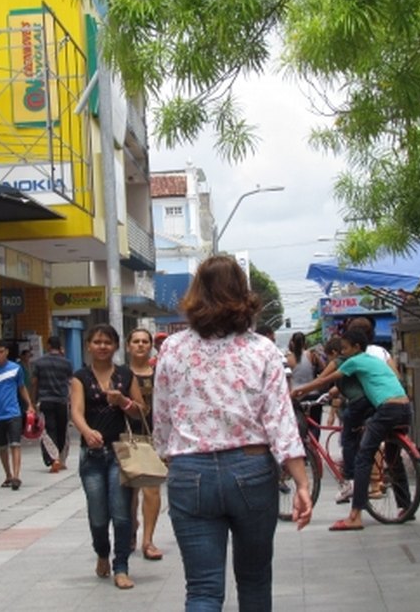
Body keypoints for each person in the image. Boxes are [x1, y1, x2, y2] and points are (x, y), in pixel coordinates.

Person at [154, 256, 312, 610]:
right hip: (251, 472)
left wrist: (170, 457)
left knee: (202, 589)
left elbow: (161, 417)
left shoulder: (172, 349)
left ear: (196, 293)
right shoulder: (263, 350)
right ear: (243, 293)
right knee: (255, 582)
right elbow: (280, 422)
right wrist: (301, 483)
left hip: (189, 472)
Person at [292, 327, 412, 531]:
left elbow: (324, 379)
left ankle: (355, 515)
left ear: (357, 347)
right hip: (405, 409)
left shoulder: (354, 361)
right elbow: (339, 385)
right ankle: (406, 506)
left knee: (363, 457)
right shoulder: (374, 360)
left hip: (387, 410)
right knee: (392, 458)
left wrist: (301, 390)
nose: (342, 352)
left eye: (345, 348)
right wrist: (332, 392)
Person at [70, 323, 147, 590]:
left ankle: (121, 566)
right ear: (89, 346)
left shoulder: (125, 376)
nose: (102, 347)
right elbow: (76, 411)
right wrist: (87, 431)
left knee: (122, 512)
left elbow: (141, 411)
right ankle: (102, 551)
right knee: (98, 514)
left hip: (120, 453)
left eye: (107, 342)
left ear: (115, 346)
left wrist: (123, 402)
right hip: (91, 455)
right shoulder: (80, 377)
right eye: (97, 342)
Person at [125, 328, 163, 561]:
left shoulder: (161, 373)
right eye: (136, 341)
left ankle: (148, 540)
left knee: (152, 489)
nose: (140, 345)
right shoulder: (119, 374)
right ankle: (131, 527)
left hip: (154, 439)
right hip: (126, 438)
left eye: (144, 341)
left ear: (150, 346)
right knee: (130, 494)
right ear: (128, 346)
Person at [0, 339, 35, 490]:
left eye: (1, 352)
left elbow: (22, 387)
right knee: (2, 446)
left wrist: (29, 404)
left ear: (7, 352)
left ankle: (16, 476)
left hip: (13, 412)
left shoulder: (16, 369)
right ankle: (8, 475)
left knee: (15, 444)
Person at [31, 335, 73, 472]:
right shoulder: (67, 363)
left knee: (49, 430)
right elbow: (71, 383)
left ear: (48, 346)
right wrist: (71, 400)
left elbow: (35, 383)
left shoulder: (39, 362)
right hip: (62, 401)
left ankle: (53, 458)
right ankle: (60, 458)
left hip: (45, 400)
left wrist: (33, 401)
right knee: (62, 430)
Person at [286, 332, 323, 440]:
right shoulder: (312, 355)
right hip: (314, 394)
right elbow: (323, 369)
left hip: (296, 396)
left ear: (292, 343)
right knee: (315, 424)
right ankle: (314, 446)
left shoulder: (288, 359)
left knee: (297, 424)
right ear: (305, 342)